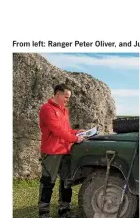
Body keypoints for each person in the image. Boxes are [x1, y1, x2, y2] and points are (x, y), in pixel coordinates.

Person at [38, 84, 85, 218]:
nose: (67, 100)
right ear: (58, 94)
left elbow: (66, 130)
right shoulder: (46, 109)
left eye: (68, 98)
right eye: (66, 97)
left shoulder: (64, 110)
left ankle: (64, 211)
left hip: (65, 151)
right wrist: (75, 139)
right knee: (48, 183)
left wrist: (77, 132)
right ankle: (44, 213)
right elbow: (57, 131)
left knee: (66, 182)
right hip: (52, 152)